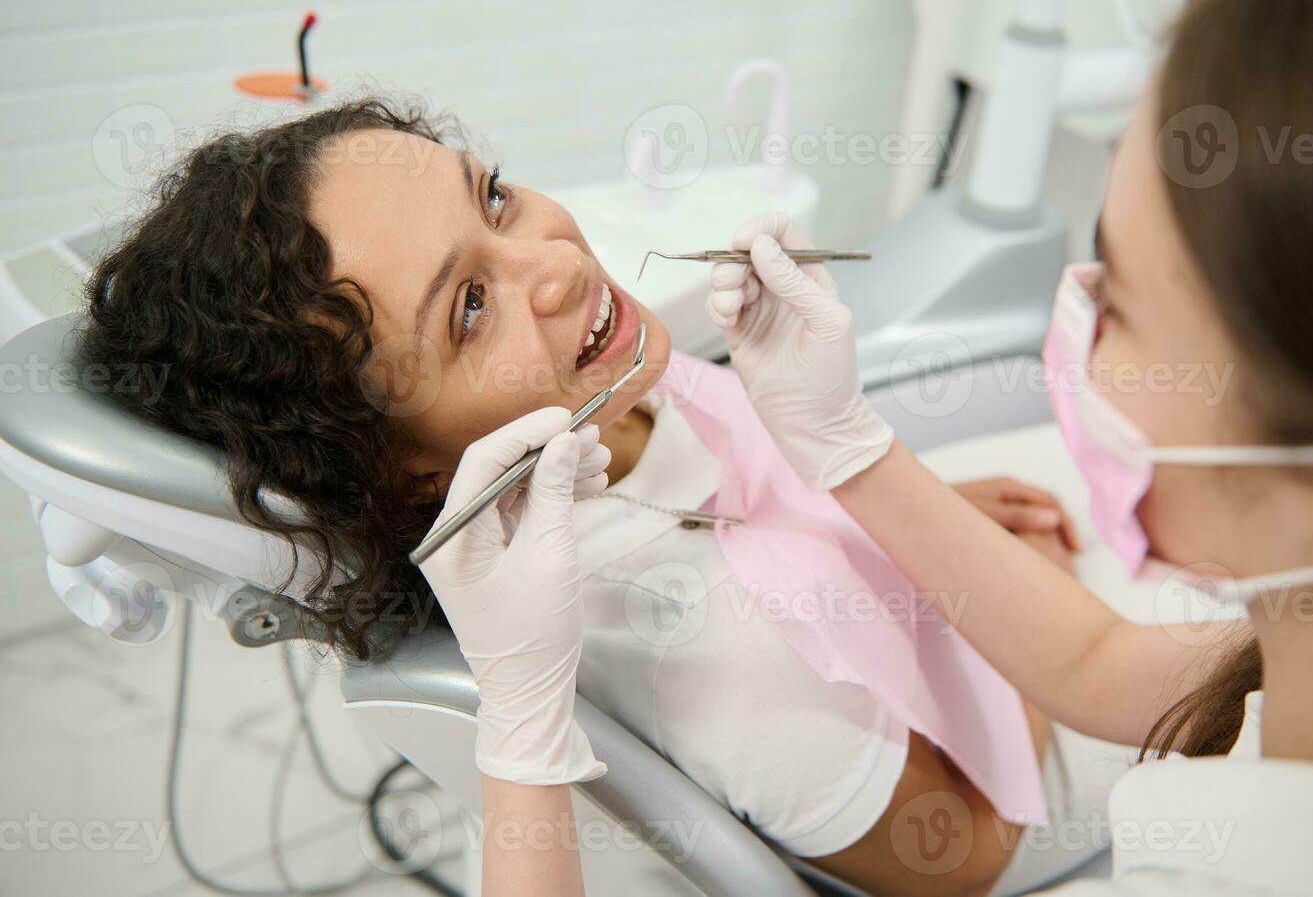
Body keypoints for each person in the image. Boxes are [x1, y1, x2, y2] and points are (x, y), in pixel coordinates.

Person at [427, 0, 1313, 892]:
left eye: (1126, 303)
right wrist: (849, 450)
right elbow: (1110, 666)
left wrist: (520, 735)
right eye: (468, 304)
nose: (552, 271)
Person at [81, 99, 1106, 895]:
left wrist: (905, 522)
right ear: (403, 469)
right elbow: (958, 857)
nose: (558, 260)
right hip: (1036, 781)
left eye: (494, 199)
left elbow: (771, 508)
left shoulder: (609, 403)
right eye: (471, 308)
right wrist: (1014, 601)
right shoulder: (696, 635)